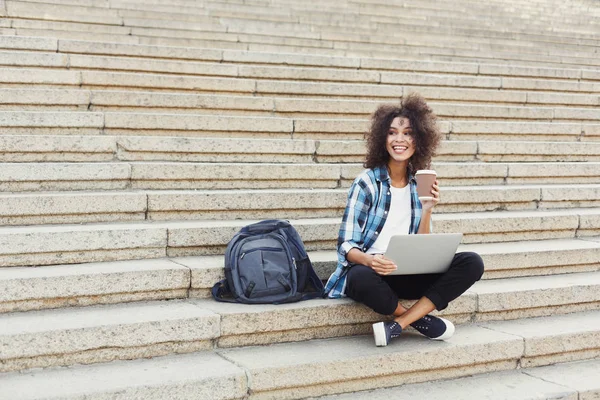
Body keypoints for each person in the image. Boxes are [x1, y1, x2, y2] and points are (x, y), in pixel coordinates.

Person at [323, 93, 484, 347]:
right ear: (382, 139)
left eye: (408, 133)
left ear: (418, 140)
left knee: (472, 262)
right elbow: (345, 245)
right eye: (392, 133)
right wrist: (370, 260)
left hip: (407, 272)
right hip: (373, 272)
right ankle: (418, 320)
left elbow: (423, 247)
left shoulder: (417, 184)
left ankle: (398, 325)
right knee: (358, 278)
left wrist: (428, 209)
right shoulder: (366, 182)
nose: (400, 139)